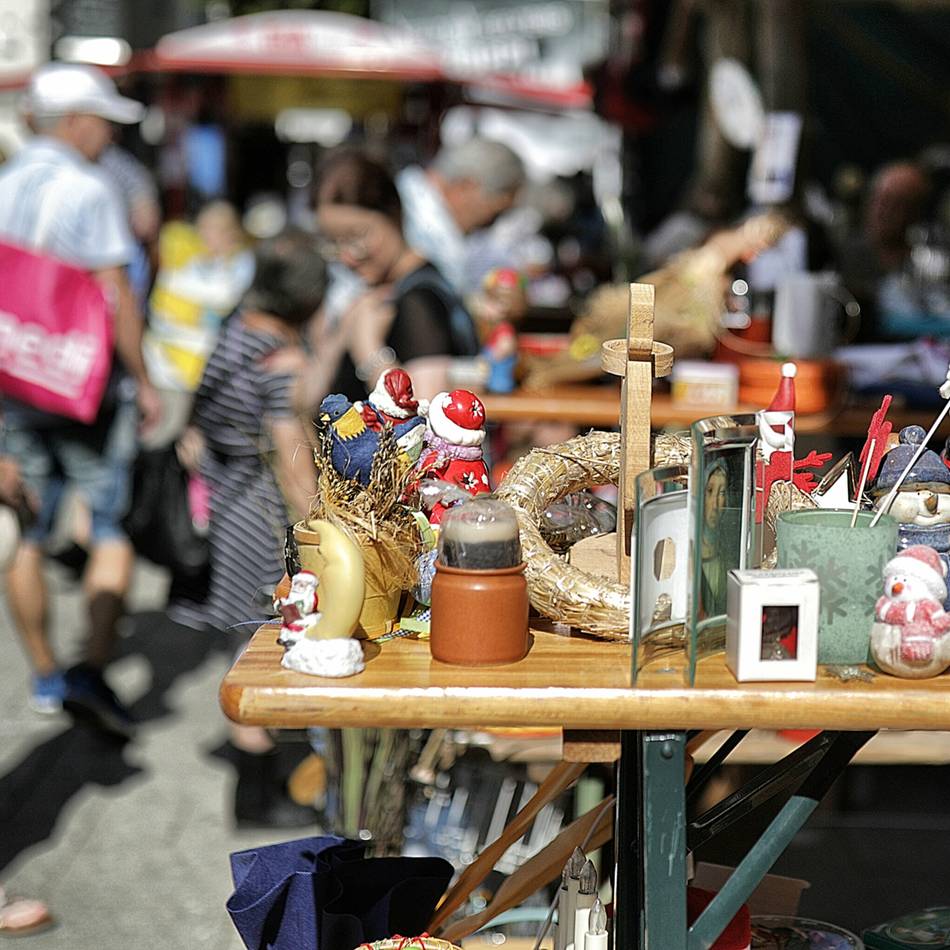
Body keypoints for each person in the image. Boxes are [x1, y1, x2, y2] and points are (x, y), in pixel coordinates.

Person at [0, 62, 161, 733]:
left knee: (26, 532)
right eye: (102, 124)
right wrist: (144, 378)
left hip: (14, 377)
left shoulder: (4, 182)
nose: (107, 139)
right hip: (84, 383)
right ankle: (90, 671)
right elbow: (116, 293)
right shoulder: (89, 189)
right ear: (74, 122)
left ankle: (43, 673)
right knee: (107, 526)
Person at [169, 230, 323, 827]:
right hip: (264, 522)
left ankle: (255, 790)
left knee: (245, 646)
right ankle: (264, 798)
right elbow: (293, 459)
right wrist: (319, 531)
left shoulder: (233, 334)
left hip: (228, 512)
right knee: (268, 647)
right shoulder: (279, 362)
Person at [304, 149, 480, 406]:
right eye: (333, 243)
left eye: (357, 237)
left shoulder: (420, 300)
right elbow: (307, 401)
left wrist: (369, 350)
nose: (347, 257)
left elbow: (427, 417)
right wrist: (335, 340)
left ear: (394, 214)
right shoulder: (376, 295)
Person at [143, 199, 255, 447]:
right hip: (170, 370)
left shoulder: (244, 268)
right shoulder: (194, 264)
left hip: (209, 376)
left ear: (229, 232)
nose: (202, 236)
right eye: (201, 229)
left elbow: (222, 308)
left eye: (209, 230)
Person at [396, 137, 527, 295]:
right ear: (466, 187)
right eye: (496, 213)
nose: (489, 225)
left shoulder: (414, 207)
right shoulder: (408, 219)